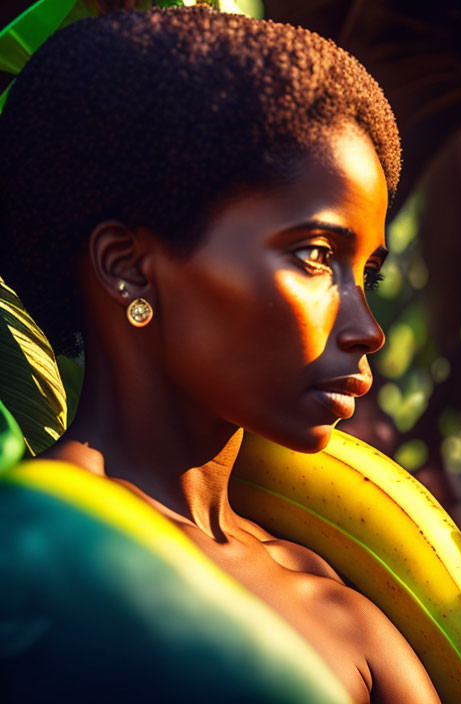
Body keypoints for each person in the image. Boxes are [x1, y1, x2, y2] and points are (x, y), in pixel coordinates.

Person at [0, 4, 439, 702]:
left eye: (370, 274)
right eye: (316, 256)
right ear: (129, 267)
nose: (367, 328)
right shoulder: (28, 558)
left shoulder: (336, 603)